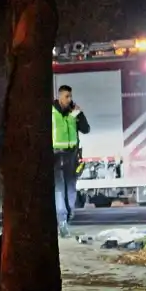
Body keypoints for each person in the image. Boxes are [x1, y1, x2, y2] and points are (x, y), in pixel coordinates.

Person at [51, 84, 90, 238]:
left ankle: (69, 213)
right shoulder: (51, 113)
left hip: (72, 156)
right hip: (55, 156)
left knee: (71, 187)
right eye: (67, 96)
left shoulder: (73, 112)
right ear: (59, 96)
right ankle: (62, 221)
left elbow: (86, 129)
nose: (69, 99)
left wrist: (79, 114)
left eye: (70, 96)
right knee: (59, 188)